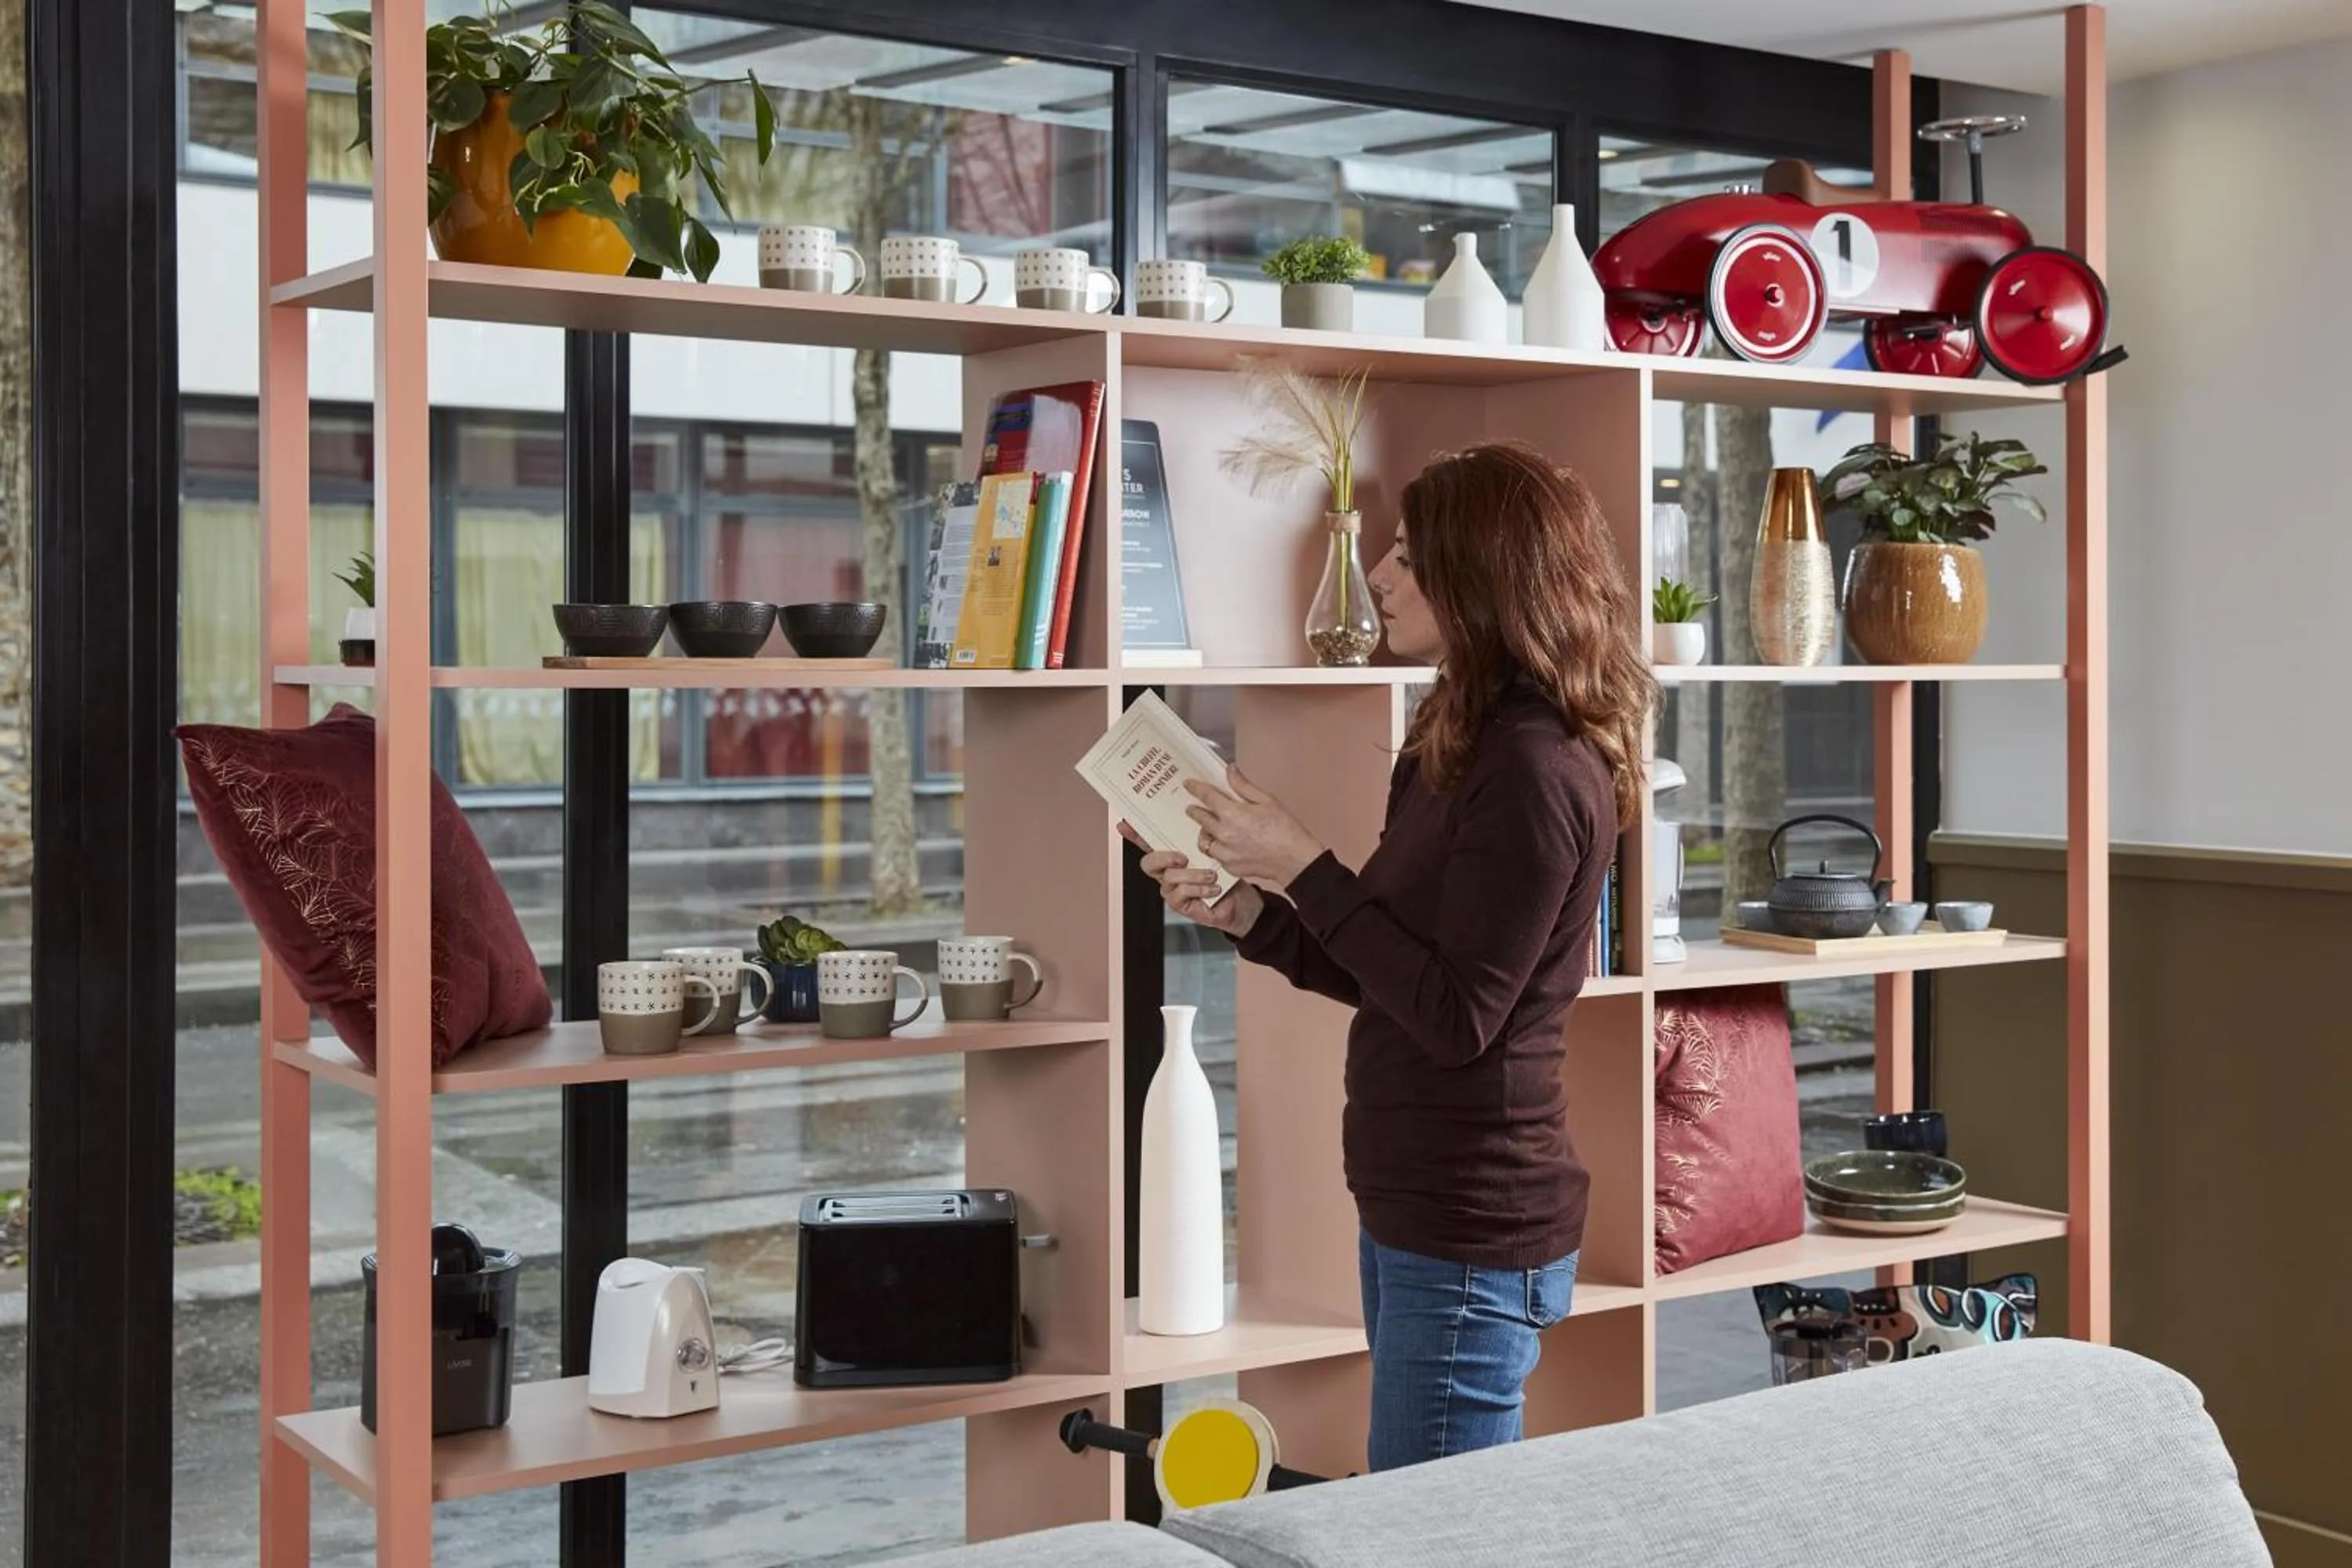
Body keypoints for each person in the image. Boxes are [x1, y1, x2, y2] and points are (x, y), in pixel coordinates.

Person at [1128, 441, 1654, 1472]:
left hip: (1470, 1224)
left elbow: (1461, 1015)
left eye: (1410, 556)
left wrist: (1304, 861)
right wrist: (1247, 909)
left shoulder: (1537, 769)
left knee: (1429, 1535)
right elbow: (1395, 972)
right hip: (1413, 1206)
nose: (1378, 573)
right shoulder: (1452, 737)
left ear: (1481, 577)